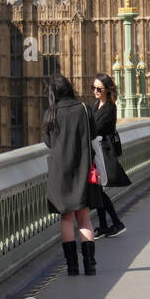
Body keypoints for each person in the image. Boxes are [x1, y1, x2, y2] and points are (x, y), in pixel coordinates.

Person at [43, 74, 103, 276]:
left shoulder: (51, 114)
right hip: (83, 167)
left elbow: (49, 143)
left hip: (60, 172)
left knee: (66, 219)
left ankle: (72, 266)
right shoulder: (84, 109)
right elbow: (94, 135)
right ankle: (90, 264)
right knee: (84, 219)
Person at [91, 74, 130, 237]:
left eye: (98, 89)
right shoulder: (96, 105)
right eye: (93, 88)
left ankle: (117, 223)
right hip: (95, 150)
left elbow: (97, 128)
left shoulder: (110, 107)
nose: (95, 91)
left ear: (106, 90)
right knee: (97, 189)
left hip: (102, 151)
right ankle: (104, 225)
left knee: (98, 191)